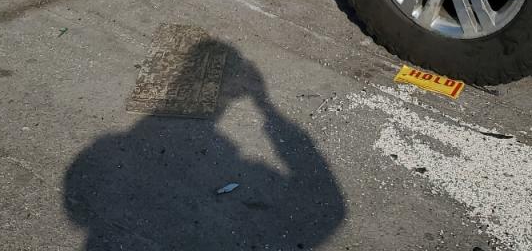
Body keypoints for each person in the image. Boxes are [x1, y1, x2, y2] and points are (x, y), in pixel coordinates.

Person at [63, 42, 345, 250]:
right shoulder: (114, 147)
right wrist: (265, 106)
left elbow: (78, 207)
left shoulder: (110, 147)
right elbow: (330, 208)